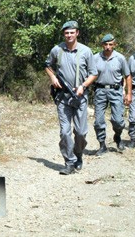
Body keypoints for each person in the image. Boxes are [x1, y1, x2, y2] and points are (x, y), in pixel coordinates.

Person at [45, 20, 98, 175]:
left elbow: (94, 73)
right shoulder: (57, 50)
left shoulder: (86, 51)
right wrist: (52, 78)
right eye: (66, 33)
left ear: (77, 33)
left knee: (80, 132)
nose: (69, 35)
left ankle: (78, 153)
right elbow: (47, 65)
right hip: (62, 98)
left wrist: (83, 86)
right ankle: (69, 162)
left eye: (72, 32)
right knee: (65, 132)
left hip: (80, 97)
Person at [92, 34, 132, 155]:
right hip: (100, 91)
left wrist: (128, 93)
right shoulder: (95, 58)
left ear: (114, 45)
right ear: (102, 45)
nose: (108, 47)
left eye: (110, 44)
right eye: (106, 44)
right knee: (98, 121)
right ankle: (102, 144)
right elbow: (89, 74)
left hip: (116, 91)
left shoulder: (120, 58)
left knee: (118, 121)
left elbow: (128, 76)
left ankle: (117, 136)